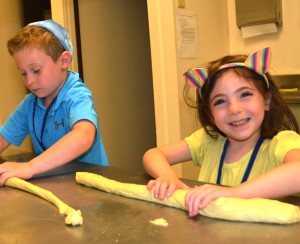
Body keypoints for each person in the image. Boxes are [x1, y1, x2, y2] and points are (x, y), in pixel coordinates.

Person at [143, 47, 300, 217]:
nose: (234, 109)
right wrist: (168, 176)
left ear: (267, 100)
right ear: (210, 113)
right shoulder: (209, 140)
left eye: (245, 94)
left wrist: (234, 193)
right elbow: (153, 154)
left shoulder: (281, 142)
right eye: (220, 101)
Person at [0, 19, 108, 185]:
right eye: (23, 73)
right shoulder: (31, 103)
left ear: (63, 61)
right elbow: (3, 138)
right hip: (55, 185)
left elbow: (84, 135)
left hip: (90, 191)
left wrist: (30, 167)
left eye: (36, 70)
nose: (29, 81)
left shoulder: (76, 95)